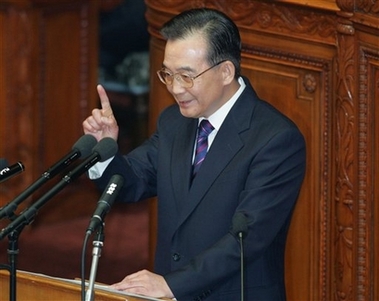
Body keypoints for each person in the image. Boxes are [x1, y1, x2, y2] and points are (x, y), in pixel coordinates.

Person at [83, 8, 306, 301]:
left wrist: (172, 284)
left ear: (225, 71)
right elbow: (134, 181)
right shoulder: (174, 122)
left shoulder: (275, 139)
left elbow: (247, 239)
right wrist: (106, 151)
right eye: (168, 74)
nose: (175, 88)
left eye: (186, 77)